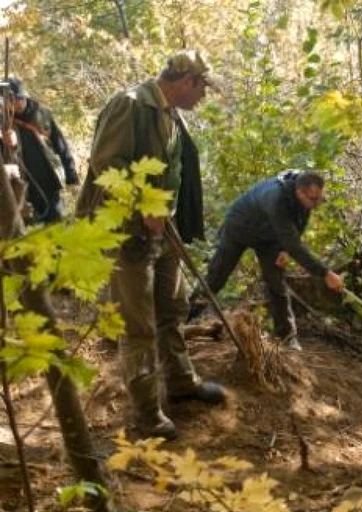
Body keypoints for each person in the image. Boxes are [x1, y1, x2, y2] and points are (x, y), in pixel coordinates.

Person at [76, 50, 225, 441]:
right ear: (185, 80)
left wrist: (166, 212)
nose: (203, 96)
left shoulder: (170, 115)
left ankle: (180, 382)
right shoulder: (130, 105)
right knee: (138, 323)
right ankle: (146, 411)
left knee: (172, 308)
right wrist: (144, 203)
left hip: (162, 230)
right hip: (127, 232)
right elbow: (106, 164)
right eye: (202, 87)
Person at [188, 169, 344, 351]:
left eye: (320, 198)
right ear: (299, 192)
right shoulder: (276, 198)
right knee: (215, 278)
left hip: (270, 238)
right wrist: (325, 273)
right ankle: (182, 317)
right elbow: (294, 243)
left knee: (276, 283)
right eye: (313, 199)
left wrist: (284, 249)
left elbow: (298, 224)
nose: (317, 203)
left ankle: (287, 338)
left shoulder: (306, 196)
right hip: (239, 228)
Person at [5, 77, 80, 223]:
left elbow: (60, 144)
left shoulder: (42, 113)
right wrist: (7, 141)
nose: (18, 103)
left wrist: (71, 174)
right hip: (23, 185)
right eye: (13, 99)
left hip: (50, 179)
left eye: (20, 98)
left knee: (56, 223)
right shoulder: (3, 122)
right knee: (31, 230)